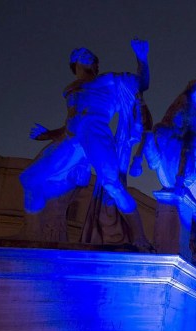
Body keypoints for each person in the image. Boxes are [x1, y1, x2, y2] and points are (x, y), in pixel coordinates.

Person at [19, 40, 153, 250]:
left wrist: (142, 58)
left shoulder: (109, 81)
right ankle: (31, 233)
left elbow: (141, 83)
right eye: (84, 54)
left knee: (112, 184)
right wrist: (46, 134)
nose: (89, 57)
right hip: (71, 138)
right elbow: (68, 124)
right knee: (29, 179)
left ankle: (139, 236)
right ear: (75, 62)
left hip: (95, 133)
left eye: (92, 56)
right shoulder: (71, 90)